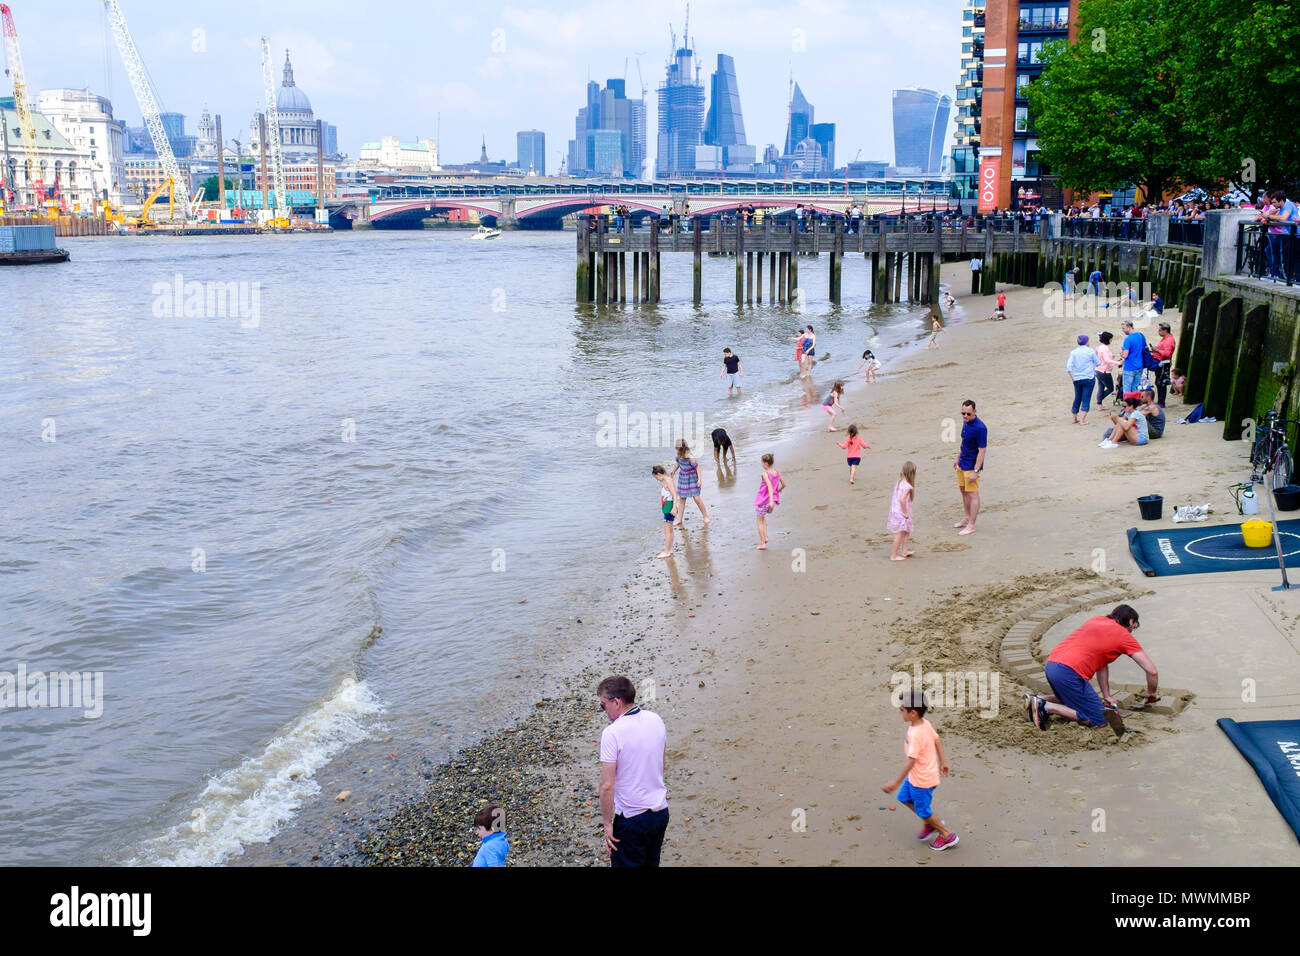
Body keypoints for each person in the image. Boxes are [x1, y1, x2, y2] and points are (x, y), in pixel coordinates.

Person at [1025, 605, 1159, 731]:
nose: (1131, 631)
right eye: (1133, 628)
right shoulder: (1124, 636)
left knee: (1073, 699)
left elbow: (1102, 664)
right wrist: (1151, 692)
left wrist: (1106, 696)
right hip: (1068, 673)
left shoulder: (1096, 620)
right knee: (1099, 720)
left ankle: (1037, 699)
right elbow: (1152, 671)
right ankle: (1046, 707)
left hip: (1052, 665)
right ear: (1131, 621)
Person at [598, 675, 669, 867]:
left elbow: (607, 785)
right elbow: (661, 763)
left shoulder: (612, 733)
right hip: (660, 812)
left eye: (603, 705)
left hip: (632, 817)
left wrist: (607, 824)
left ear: (617, 702)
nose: (604, 710)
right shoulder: (656, 719)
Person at [881, 689, 958, 851]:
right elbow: (937, 740)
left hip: (922, 781)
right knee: (904, 798)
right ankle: (929, 824)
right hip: (916, 776)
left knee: (923, 810)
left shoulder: (916, 733)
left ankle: (947, 835)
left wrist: (895, 782)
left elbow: (911, 760)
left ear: (913, 713)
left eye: (902, 710)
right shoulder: (924, 723)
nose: (900, 712)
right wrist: (943, 762)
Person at [953, 399, 986, 536]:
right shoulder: (965, 423)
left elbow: (982, 450)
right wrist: (958, 458)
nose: (965, 416)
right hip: (962, 463)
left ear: (975, 412)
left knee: (973, 494)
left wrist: (976, 471)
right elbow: (964, 442)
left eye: (968, 414)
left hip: (971, 467)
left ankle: (971, 525)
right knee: (963, 491)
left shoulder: (980, 428)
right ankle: (967, 517)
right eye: (963, 413)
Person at [670, 440, 709, 526]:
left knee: (697, 498)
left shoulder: (691, 457)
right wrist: (673, 471)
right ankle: (679, 519)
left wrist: (699, 480)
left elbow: (698, 468)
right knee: (682, 499)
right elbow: (678, 464)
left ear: (683, 449)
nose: (677, 451)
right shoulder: (678, 456)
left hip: (692, 479)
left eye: (678, 449)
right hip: (683, 479)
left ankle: (705, 516)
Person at [1067, 334, 1101, 425]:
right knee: (1086, 398)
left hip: (1077, 378)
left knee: (1077, 397)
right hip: (1088, 377)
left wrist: (1072, 378)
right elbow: (1098, 363)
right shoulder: (1090, 351)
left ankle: (1074, 418)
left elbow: (1069, 367)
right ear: (1086, 342)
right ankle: (1082, 420)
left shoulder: (1073, 352)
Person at [754, 452, 785, 550]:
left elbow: (770, 487)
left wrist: (771, 500)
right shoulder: (777, 472)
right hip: (772, 502)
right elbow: (784, 485)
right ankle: (766, 537)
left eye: (762, 463)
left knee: (759, 520)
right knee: (763, 519)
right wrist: (777, 492)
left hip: (764, 501)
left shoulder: (765, 474)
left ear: (766, 463)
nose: (762, 465)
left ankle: (763, 543)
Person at [887, 460, 916, 561]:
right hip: (901, 512)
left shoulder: (899, 482)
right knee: (900, 533)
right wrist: (905, 512)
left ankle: (904, 551)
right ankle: (893, 556)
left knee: (906, 531)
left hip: (896, 510)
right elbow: (902, 499)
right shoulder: (907, 486)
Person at [651, 465, 678, 559]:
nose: (657, 479)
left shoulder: (668, 481)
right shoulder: (666, 480)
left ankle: (667, 551)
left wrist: (674, 508)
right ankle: (669, 549)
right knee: (668, 530)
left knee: (667, 531)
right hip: (667, 507)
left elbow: (674, 494)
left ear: (659, 474)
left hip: (669, 507)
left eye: (656, 477)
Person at [1118, 319, 1147, 397]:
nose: (1123, 330)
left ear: (1128, 327)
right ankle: (1136, 404)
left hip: (1130, 367)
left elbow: (1125, 355)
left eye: (1123, 328)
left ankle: (1127, 406)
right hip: (1139, 365)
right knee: (1135, 387)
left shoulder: (1128, 339)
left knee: (1127, 389)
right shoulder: (1140, 336)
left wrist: (1121, 353)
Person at [1152, 321, 1176, 406]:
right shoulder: (1166, 339)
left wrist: (1157, 350)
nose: (1159, 332)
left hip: (1163, 363)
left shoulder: (1169, 340)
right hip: (1162, 362)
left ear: (1165, 330)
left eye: (1160, 330)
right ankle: (1160, 401)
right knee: (1159, 382)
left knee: (1161, 383)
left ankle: (1161, 402)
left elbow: (1168, 353)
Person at [1094, 331, 1119, 407]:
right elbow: (1107, 360)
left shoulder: (1099, 347)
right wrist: (1119, 363)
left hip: (1098, 370)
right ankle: (1099, 400)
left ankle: (1099, 406)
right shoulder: (1105, 348)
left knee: (1101, 387)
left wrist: (1112, 357)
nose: (1111, 340)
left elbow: (1100, 357)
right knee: (1110, 388)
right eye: (1111, 339)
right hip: (1104, 371)